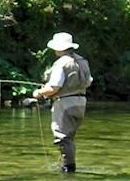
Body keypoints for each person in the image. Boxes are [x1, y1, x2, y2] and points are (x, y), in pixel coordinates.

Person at [33, 32, 92, 172]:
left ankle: (68, 170)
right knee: (70, 137)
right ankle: (68, 168)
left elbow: (54, 88)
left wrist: (39, 93)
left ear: (59, 48)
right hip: (81, 102)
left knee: (63, 137)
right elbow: (88, 83)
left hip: (65, 104)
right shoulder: (82, 61)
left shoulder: (60, 63)